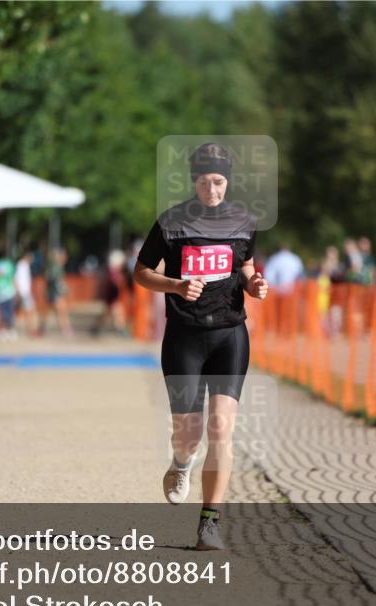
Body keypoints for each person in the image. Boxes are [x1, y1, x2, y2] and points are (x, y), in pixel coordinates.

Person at [133, 142, 269, 550]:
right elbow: (141, 272)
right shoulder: (172, 222)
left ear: (228, 181)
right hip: (184, 337)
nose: (214, 190)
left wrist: (254, 282)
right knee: (188, 435)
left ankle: (209, 523)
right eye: (207, 182)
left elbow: (244, 264)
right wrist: (175, 284)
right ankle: (181, 463)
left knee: (222, 429)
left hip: (230, 334)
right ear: (195, 181)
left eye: (220, 182)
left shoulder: (243, 220)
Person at [40, 247, 73, 338]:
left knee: (49, 312)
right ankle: (66, 330)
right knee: (62, 312)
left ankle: (42, 329)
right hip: (55, 294)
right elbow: (57, 282)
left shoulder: (53, 266)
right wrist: (66, 290)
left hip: (52, 293)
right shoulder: (56, 267)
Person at [0, 244, 19, 341]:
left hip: (0, 292)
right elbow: (13, 278)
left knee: (2, 313)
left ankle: (3, 331)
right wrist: (17, 290)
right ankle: (11, 331)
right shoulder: (10, 265)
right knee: (10, 312)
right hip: (9, 291)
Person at [14, 246, 39, 337]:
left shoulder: (25, 265)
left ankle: (32, 330)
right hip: (23, 293)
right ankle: (32, 331)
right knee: (29, 311)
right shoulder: (21, 265)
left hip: (26, 292)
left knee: (30, 311)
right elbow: (16, 278)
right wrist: (18, 292)